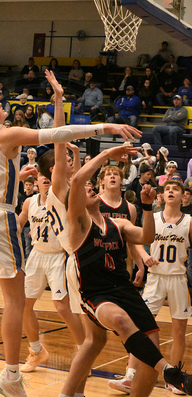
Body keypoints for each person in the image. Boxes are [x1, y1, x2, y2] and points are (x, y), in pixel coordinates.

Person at [0, 73, 141, 396]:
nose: (1, 106)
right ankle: (12, 373)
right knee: (15, 300)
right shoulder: (5, 133)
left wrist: (15, 175)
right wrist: (107, 129)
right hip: (5, 220)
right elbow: (58, 135)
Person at [59, 145, 192, 397]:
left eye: (91, 187)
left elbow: (146, 236)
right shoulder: (77, 222)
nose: (88, 188)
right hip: (96, 293)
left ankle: (158, 377)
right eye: (87, 189)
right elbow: (77, 179)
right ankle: (171, 372)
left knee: (149, 350)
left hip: (124, 289)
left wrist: (147, 207)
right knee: (118, 322)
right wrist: (107, 155)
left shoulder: (118, 223)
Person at [115, 180, 192, 395]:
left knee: (179, 331)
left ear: (184, 196)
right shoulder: (154, 218)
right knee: (139, 328)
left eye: (175, 189)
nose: (170, 191)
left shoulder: (190, 222)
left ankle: (174, 379)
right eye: (167, 189)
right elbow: (136, 241)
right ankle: (130, 376)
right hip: (155, 279)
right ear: (161, 195)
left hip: (178, 279)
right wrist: (145, 256)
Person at [18, 171, 84, 373]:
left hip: (58, 256)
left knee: (62, 308)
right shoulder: (29, 203)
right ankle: (36, 350)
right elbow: (19, 225)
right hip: (36, 255)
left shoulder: (62, 200)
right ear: (35, 182)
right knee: (24, 306)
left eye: (49, 177)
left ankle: (84, 353)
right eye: (41, 177)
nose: (45, 180)